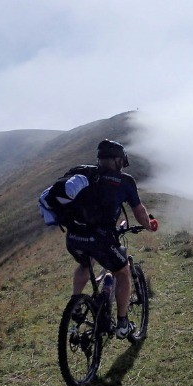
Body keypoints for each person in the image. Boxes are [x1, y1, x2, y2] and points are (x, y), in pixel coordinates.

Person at [66, 139, 158, 338]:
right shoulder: (124, 181)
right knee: (122, 272)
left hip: (74, 236)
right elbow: (139, 211)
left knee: (85, 264)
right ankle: (123, 324)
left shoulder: (85, 174)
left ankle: (76, 304)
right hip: (101, 240)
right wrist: (149, 226)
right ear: (118, 160)